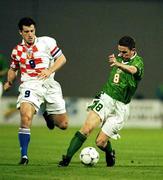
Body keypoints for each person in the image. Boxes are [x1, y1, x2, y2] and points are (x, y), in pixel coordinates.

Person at [58, 36, 144, 167]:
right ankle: (66, 159)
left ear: (133, 50)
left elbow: (133, 70)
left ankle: (110, 153)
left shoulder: (138, 61)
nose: (121, 54)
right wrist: (118, 61)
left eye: (124, 52)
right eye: (119, 51)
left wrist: (118, 64)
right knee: (86, 129)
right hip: (106, 99)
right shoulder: (119, 57)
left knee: (100, 142)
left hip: (121, 107)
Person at [4, 17, 68, 165]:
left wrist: (49, 70)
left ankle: (46, 113)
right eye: (26, 31)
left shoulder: (47, 42)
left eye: (32, 31)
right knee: (25, 117)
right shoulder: (17, 51)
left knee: (63, 125)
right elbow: (13, 69)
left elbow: (62, 59)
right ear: (21, 32)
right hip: (30, 85)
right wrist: (9, 82)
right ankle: (24, 156)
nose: (30, 34)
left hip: (49, 84)